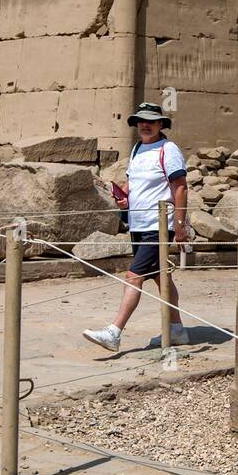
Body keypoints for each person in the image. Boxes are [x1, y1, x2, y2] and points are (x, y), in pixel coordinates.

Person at [83, 102, 191, 351]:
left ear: (160, 124)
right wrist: (125, 198)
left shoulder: (169, 149)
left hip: (159, 225)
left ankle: (114, 332)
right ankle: (177, 330)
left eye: (150, 121)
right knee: (160, 277)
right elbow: (133, 183)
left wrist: (180, 224)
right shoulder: (137, 149)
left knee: (134, 276)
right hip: (138, 224)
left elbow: (181, 187)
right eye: (141, 121)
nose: (145, 124)